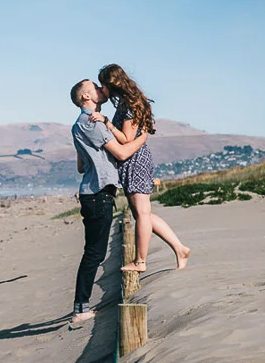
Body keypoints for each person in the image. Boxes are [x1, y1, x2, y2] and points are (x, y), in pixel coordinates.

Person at [69, 78, 149, 324]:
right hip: (98, 194)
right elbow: (123, 152)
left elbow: (82, 166)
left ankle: (81, 305)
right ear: (86, 97)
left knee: (94, 251)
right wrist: (143, 137)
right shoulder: (91, 123)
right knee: (94, 253)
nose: (101, 89)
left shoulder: (80, 124)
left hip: (94, 192)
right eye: (94, 87)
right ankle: (81, 309)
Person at [96, 64, 190, 272]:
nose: (102, 89)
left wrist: (107, 123)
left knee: (142, 213)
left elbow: (127, 138)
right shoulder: (131, 101)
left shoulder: (128, 104)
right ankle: (179, 248)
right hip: (135, 159)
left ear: (111, 84)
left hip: (135, 160)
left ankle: (140, 261)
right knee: (142, 214)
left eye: (103, 85)